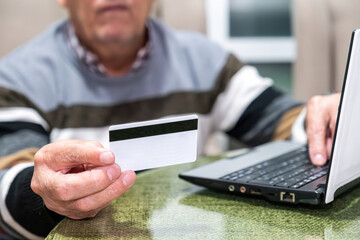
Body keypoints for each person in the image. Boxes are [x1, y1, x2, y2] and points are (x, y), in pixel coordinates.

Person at [0, 0, 339, 239]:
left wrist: (324, 120)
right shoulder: (17, 78)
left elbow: (279, 119)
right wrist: (44, 195)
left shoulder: (206, 62)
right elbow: (7, 179)